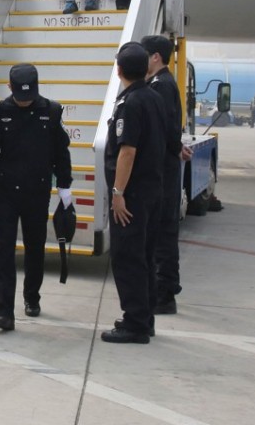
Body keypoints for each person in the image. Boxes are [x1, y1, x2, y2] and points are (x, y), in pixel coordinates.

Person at [0, 64, 72, 331]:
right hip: (5, 192)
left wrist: (65, 187)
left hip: (37, 192)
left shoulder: (51, 110)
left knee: (35, 247)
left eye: (30, 96)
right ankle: (5, 312)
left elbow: (62, 151)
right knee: (4, 250)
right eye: (20, 96)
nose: (25, 101)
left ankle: (31, 297)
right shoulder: (0, 110)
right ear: (9, 88)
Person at [100, 42, 166, 344]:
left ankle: (135, 322)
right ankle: (145, 316)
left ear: (119, 70)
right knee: (146, 255)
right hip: (152, 190)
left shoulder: (129, 104)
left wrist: (118, 192)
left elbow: (127, 151)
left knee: (128, 257)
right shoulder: (153, 97)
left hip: (133, 195)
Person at [140, 35, 193, 316]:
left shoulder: (160, 88)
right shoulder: (164, 85)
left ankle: (164, 294)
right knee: (163, 233)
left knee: (162, 235)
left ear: (156, 57)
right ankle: (164, 291)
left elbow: (162, 128)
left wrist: (173, 146)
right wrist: (177, 146)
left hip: (161, 172)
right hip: (166, 167)